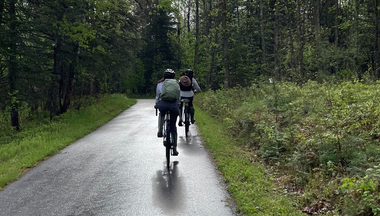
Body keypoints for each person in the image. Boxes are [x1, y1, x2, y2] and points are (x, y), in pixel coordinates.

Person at [155, 68, 180, 155]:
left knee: (161, 113)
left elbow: (158, 96)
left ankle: (160, 130)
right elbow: (178, 96)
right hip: (173, 105)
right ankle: (175, 149)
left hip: (163, 104)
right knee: (173, 125)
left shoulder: (160, 84)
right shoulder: (176, 84)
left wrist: (156, 104)